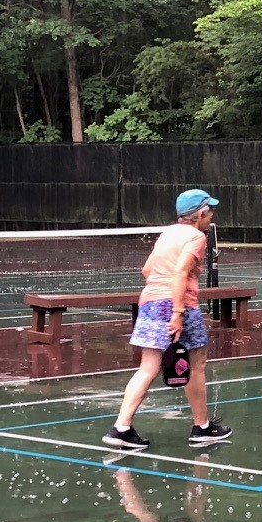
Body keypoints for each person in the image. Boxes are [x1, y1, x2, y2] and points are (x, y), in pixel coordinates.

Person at [104, 189, 232, 451]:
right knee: (196, 365)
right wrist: (177, 312)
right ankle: (202, 427)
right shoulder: (196, 237)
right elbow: (180, 272)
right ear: (199, 214)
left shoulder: (168, 234)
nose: (212, 216)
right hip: (178, 304)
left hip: (150, 302)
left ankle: (121, 428)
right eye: (209, 212)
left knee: (147, 367)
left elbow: (147, 270)